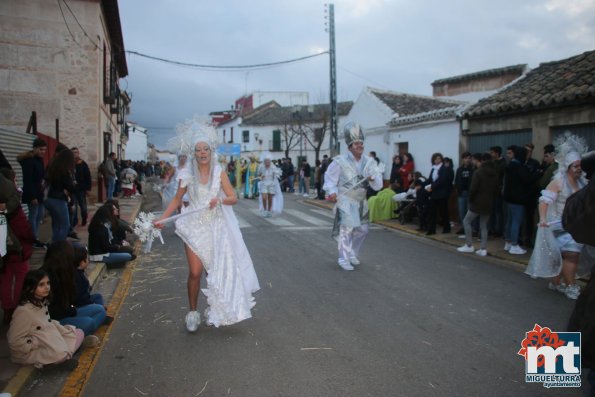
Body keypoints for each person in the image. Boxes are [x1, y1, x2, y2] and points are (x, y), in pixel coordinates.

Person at [155, 123, 259, 331]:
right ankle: (192, 312)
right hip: (193, 226)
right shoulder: (187, 174)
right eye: (198, 150)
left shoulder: (219, 172)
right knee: (195, 272)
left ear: (211, 151)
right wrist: (161, 219)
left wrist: (219, 201)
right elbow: (177, 200)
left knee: (214, 273)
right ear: (193, 153)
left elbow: (232, 197)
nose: (202, 153)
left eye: (205, 149)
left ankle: (216, 308)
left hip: (215, 228)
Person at [526, 132, 588, 300]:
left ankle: (558, 282)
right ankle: (569, 285)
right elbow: (544, 201)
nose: (578, 169)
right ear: (567, 167)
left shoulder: (583, 182)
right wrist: (543, 219)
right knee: (567, 256)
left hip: (576, 226)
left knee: (570, 255)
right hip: (559, 225)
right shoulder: (558, 182)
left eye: (580, 165)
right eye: (575, 166)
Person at [7, 269, 100, 370]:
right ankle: (55, 361)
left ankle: (60, 357)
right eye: (41, 285)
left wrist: (61, 330)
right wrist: (37, 342)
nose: (46, 287)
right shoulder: (23, 311)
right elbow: (14, 340)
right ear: (30, 288)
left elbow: (47, 323)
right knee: (59, 354)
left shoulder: (41, 302)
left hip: (49, 339)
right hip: (30, 351)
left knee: (79, 332)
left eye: (48, 283)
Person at [323, 122, 383, 271]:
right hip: (346, 200)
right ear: (349, 146)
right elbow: (330, 180)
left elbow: (378, 185)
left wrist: (373, 178)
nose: (359, 146)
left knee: (363, 230)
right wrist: (332, 192)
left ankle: (352, 253)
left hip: (361, 201)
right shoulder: (339, 162)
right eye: (356, 143)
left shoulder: (370, 162)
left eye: (361, 143)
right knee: (347, 230)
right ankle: (343, 258)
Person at [42, 241, 107, 335]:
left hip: (68, 311)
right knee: (89, 322)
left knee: (100, 310)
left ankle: (79, 332)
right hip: (55, 320)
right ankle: (76, 335)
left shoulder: (64, 273)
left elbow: (73, 300)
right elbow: (53, 310)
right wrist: (73, 309)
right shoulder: (46, 278)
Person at [0, 168, 34, 325]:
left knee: (5, 277)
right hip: (15, 246)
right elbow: (23, 229)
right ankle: (17, 309)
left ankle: (8, 309)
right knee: (21, 275)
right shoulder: (13, 208)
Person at [457, 153, 498, 257]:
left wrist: (471, 200)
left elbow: (473, 189)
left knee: (466, 221)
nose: (473, 162)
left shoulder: (478, 172)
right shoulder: (494, 172)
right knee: (484, 225)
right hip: (489, 202)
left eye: (474, 160)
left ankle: (469, 245)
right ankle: (483, 248)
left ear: (481, 160)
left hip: (477, 202)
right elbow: (496, 189)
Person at [502, 145, 534, 255]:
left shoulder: (510, 165)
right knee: (516, 221)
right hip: (518, 199)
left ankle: (508, 242)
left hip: (508, 198)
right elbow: (528, 180)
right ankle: (514, 245)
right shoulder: (520, 167)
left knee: (510, 221)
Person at [72, 244, 113, 324]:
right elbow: (81, 299)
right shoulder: (76, 276)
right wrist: (93, 305)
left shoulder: (79, 272)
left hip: (83, 301)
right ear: (81, 262)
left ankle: (100, 315)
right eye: (86, 258)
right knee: (98, 311)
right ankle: (99, 317)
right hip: (78, 305)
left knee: (98, 297)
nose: (88, 260)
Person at [17, 138, 47, 248]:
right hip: (32, 193)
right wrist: (32, 196)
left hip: (39, 192)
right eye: (40, 149)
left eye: (44, 150)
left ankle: (35, 237)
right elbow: (28, 180)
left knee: (40, 215)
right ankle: (33, 239)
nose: (43, 152)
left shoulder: (39, 160)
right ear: (34, 148)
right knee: (33, 216)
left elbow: (41, 176)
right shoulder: (29, 161)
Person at [44, 149, 76, 243]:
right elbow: (70, 187)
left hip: (49, 198)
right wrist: (74, 184)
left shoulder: (52, 167)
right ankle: (59, 247)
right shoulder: (63, 170)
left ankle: (53, 244)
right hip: (59, 199)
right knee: (65, 225)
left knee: (56, 224)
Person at [425, 153, 454, 235]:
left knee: (443, 212)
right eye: (435, 159)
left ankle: (446, 228)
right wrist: (425, 185)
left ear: (441, 159)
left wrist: (432, 187)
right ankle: (431, 230)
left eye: (439, 158)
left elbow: (442, 180)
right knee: (432, 212)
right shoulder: (433, 169)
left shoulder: (444, 168)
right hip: (434, 193)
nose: (437, 160)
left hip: (442, 193)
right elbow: (430, 179)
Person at [70, 147, 91, 227]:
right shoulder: (69, 163)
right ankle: (74, 221)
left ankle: (84, 219)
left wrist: (88, 188)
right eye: (73, 152)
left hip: (81, 188)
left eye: (76, 152)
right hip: (72, 189)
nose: (74, 154)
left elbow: (88, 176)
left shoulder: (82, 164)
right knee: (73, 206)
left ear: (78, 153)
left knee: (83, 206)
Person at [454, 152, 473, 234]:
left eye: (469, 158)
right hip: (461, 193)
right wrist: (458, 189)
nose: (467, 160)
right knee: (462, 212)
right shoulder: (459, 169)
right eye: (465, 158)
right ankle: (463, 228)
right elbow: (456, 180)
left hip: (470, 193)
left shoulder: (473, 169)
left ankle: (470, 230)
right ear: (463, 159)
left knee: (469, 212)